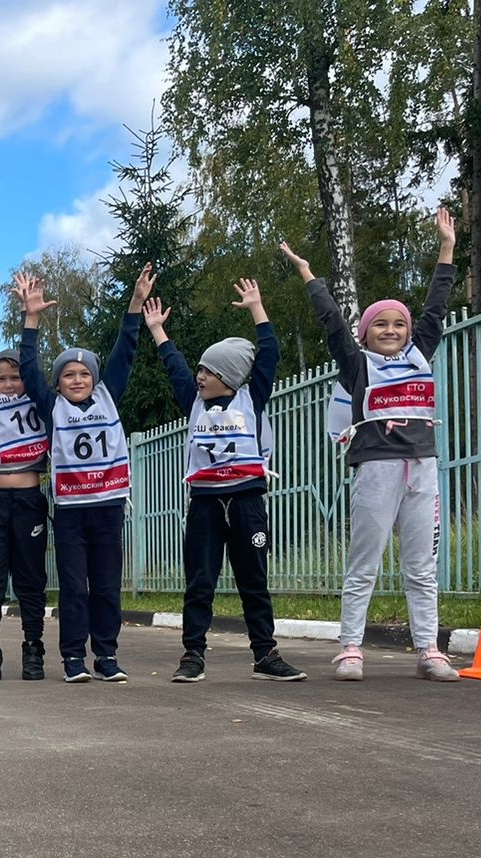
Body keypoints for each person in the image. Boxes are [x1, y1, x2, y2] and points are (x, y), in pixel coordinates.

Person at [281, 209, 460, 682]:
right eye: (380, 325)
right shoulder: (357, 366)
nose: (391, 331)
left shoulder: (420, 352)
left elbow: (437, 306)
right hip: (377, 469)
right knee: (365, 565)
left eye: (397, 325)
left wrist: (446, 248)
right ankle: (350, 648)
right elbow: (332, 323)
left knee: (421, 566)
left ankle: (429, 649)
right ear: (366, 334)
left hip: (422, 467)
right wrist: (307, 274)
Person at [143, 282, 306, 682]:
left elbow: (269, 354)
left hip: (247, 501)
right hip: (205, 504)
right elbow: (174, 366)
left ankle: (265, 655)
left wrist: (258, 308)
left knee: (254, 581)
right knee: (200, 582)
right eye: (200, 369)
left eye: (209, 370)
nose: (199, 376)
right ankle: (193, 656)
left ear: (229, 375)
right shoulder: (193, 400)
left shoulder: (253, 398)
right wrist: (158, 332)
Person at [15, 265, 152, 683]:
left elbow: (125, 350)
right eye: (68, 375)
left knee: (107, 586)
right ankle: (73, 657)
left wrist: (134, 305)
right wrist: (31, 320)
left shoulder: (109, 396)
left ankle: (106, 656)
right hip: (71, 511)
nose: (77, 379)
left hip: (108, 506)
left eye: (84, 374)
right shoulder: (50, 406)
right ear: (58, 383)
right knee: (74, 587)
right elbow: (28, 368)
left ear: (95, 379)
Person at [0, 271, 50, 683]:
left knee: (31, 581)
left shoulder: (38, 397)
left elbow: (31, 360)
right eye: (0, 378)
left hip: (30, 501)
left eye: (14, 376)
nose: (7, 383)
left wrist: (27, 317)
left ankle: (33, 647)